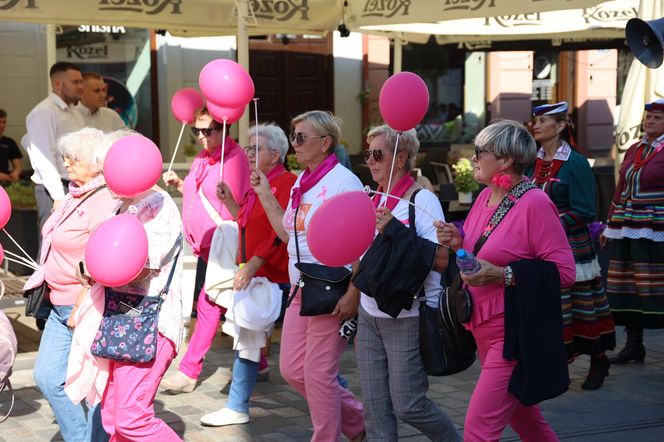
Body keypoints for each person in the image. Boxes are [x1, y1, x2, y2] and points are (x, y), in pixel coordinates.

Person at [436, 120, 575, 441]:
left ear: (505, 160)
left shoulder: (534, 203)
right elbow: (479, 252)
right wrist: (457, 241)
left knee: (478, 430)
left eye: (479, 152)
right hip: (482, 329)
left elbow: (564, 271)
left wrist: (503, 275)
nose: (473, 158)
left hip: (511, 334)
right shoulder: (486, 197)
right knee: (528, 424)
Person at [251, 110, 365, 441]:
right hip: (302, 287)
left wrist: (353, 293)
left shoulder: (345, 182)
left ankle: (328, 435)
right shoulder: (304, 181)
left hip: (332, 287)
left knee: (317, 374)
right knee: (291, 369)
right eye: (294, 137)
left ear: (325, 142)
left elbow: (363, 244)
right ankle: (357, 421)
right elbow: (289, 235)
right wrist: (265, 195)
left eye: (301, 138)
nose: (294, 144)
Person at [355, 125, 460, 441]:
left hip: (407, 314)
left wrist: (395, 231)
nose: (370, 162)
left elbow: (442, 260)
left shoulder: (421, 199)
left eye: (377, 154)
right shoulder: (372, 196)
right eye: (367, 154)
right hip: (368, 313)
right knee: (374, 409)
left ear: (400, 158)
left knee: (409, 405)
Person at [24, 128, 118, 442]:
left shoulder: (104, 199)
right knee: (47, 376)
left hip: (86, 306)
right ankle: (81, 437)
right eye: (64, 156)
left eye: (74, 158)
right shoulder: (74, 193)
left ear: (96, 162)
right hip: (58, 303)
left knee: (92, 385)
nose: (66, 163)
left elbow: (102, 259)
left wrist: (80, 303)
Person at [199, 123, 296, 426]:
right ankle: (237, 405)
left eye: (257, 149)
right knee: (249, 341)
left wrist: (254, 263)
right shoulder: (259, 180)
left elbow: (281, 233)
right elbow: (248, 221)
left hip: (271, 275)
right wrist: (230, 201)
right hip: (255, 273)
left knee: (290, 358)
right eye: (249, 147)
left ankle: (237, 406)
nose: (250, 153)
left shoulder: (288, 182)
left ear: (277, 154)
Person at [160, 107, 260, 393]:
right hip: (206, 245)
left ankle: (189, 371)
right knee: (236, 303)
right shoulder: (205, 158)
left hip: (225, 245)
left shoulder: (236, 159)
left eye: (208, 130)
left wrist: (229, 202)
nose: (201, 136)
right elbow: (202, 195)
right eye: (197, 130)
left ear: (224, 128)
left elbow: (241, 209)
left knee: (208, 304)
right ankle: (260, 363)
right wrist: (180, 184)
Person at [526, 101, 615, 390]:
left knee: (580, 307)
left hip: (570, 247)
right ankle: (555, 364)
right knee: (551, 307)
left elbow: (586, 211)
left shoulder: (575, 163)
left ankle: (598, 358)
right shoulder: (533, 161)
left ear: (561, 126)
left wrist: (547, 226)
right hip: (539, 247)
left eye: (543, 120)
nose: (536, 125)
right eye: (535, 120)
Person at [100, 163, 185, 441]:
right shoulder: (125, 206)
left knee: (131, 418)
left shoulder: (160, 207)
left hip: (150, 322)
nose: (105, 177)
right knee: (113, 417)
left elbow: (147, 263)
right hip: (123, 318)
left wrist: (97, 269)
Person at [602, 98, 664, 365]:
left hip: (657, 226)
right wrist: (609, 224)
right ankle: (633, 345)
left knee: (657, 285)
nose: (649, 121)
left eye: (657, 118)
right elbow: (620, 188)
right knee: (629, 285)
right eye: (648, 117)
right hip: (628, 225)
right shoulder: (635, 149)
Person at [23, 61, 85, 230]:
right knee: (50, 248)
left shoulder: (75, 112)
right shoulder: (44, 112)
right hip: (53, 190)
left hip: (74, 186)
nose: (81, 86)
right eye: (75, 82)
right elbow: (43, 157)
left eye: (81, 81)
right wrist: (58, 196)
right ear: (58, 84)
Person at [0, 109, 22, 183]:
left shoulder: (9, 142)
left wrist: (15, 173)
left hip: (5, 183)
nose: (2, 125)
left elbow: (18, 166)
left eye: (4, 122)